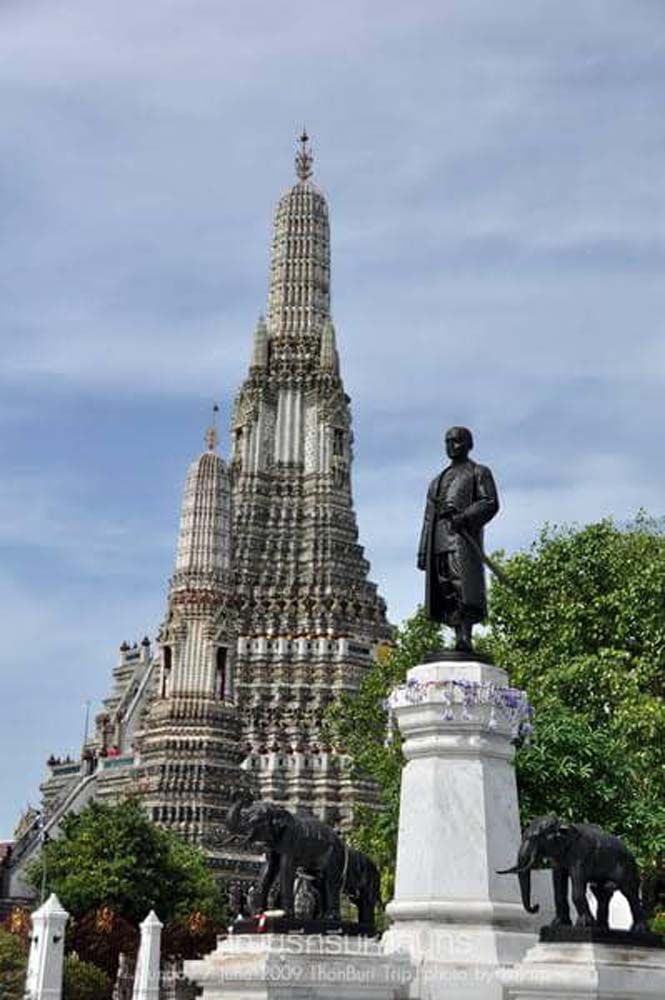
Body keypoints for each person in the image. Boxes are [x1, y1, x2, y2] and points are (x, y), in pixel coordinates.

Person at [417, 426, 499, 652]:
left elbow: (489, 502)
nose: (452, 446)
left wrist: (464, 517)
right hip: (439, 539)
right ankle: (456, 633)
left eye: (457, 441)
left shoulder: (478, 472)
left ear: (469, 444)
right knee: (444, 588)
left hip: (462, 540)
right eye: (448, 442)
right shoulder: (436, 481)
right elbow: (427, 517)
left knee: (462, 585)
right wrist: (423, 550)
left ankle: (466, 635)